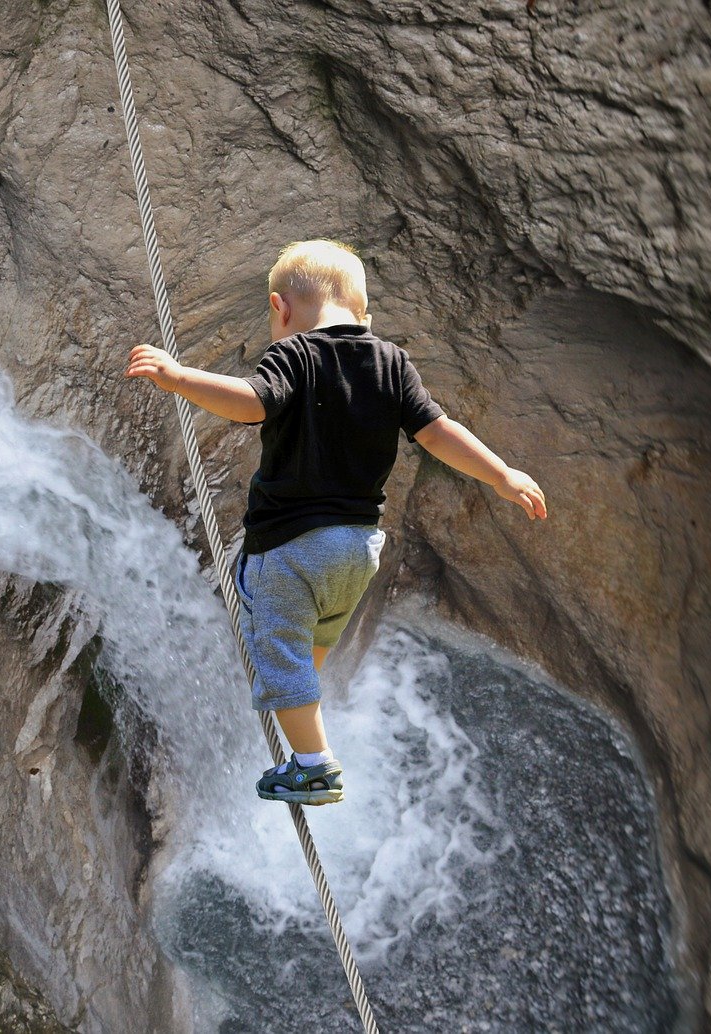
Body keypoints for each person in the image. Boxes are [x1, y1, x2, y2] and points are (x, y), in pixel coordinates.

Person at [123, 239, 547, 805]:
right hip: (356, 551)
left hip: (291, 548)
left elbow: (252, 403)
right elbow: (437, 432)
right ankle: (305, 718)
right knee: (310, 644)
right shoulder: (392, 361)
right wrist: (501, 475)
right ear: (363, 313)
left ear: (281, 308)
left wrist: (179, 379)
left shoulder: (293, 354)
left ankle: (314, 766)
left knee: (276, 648)